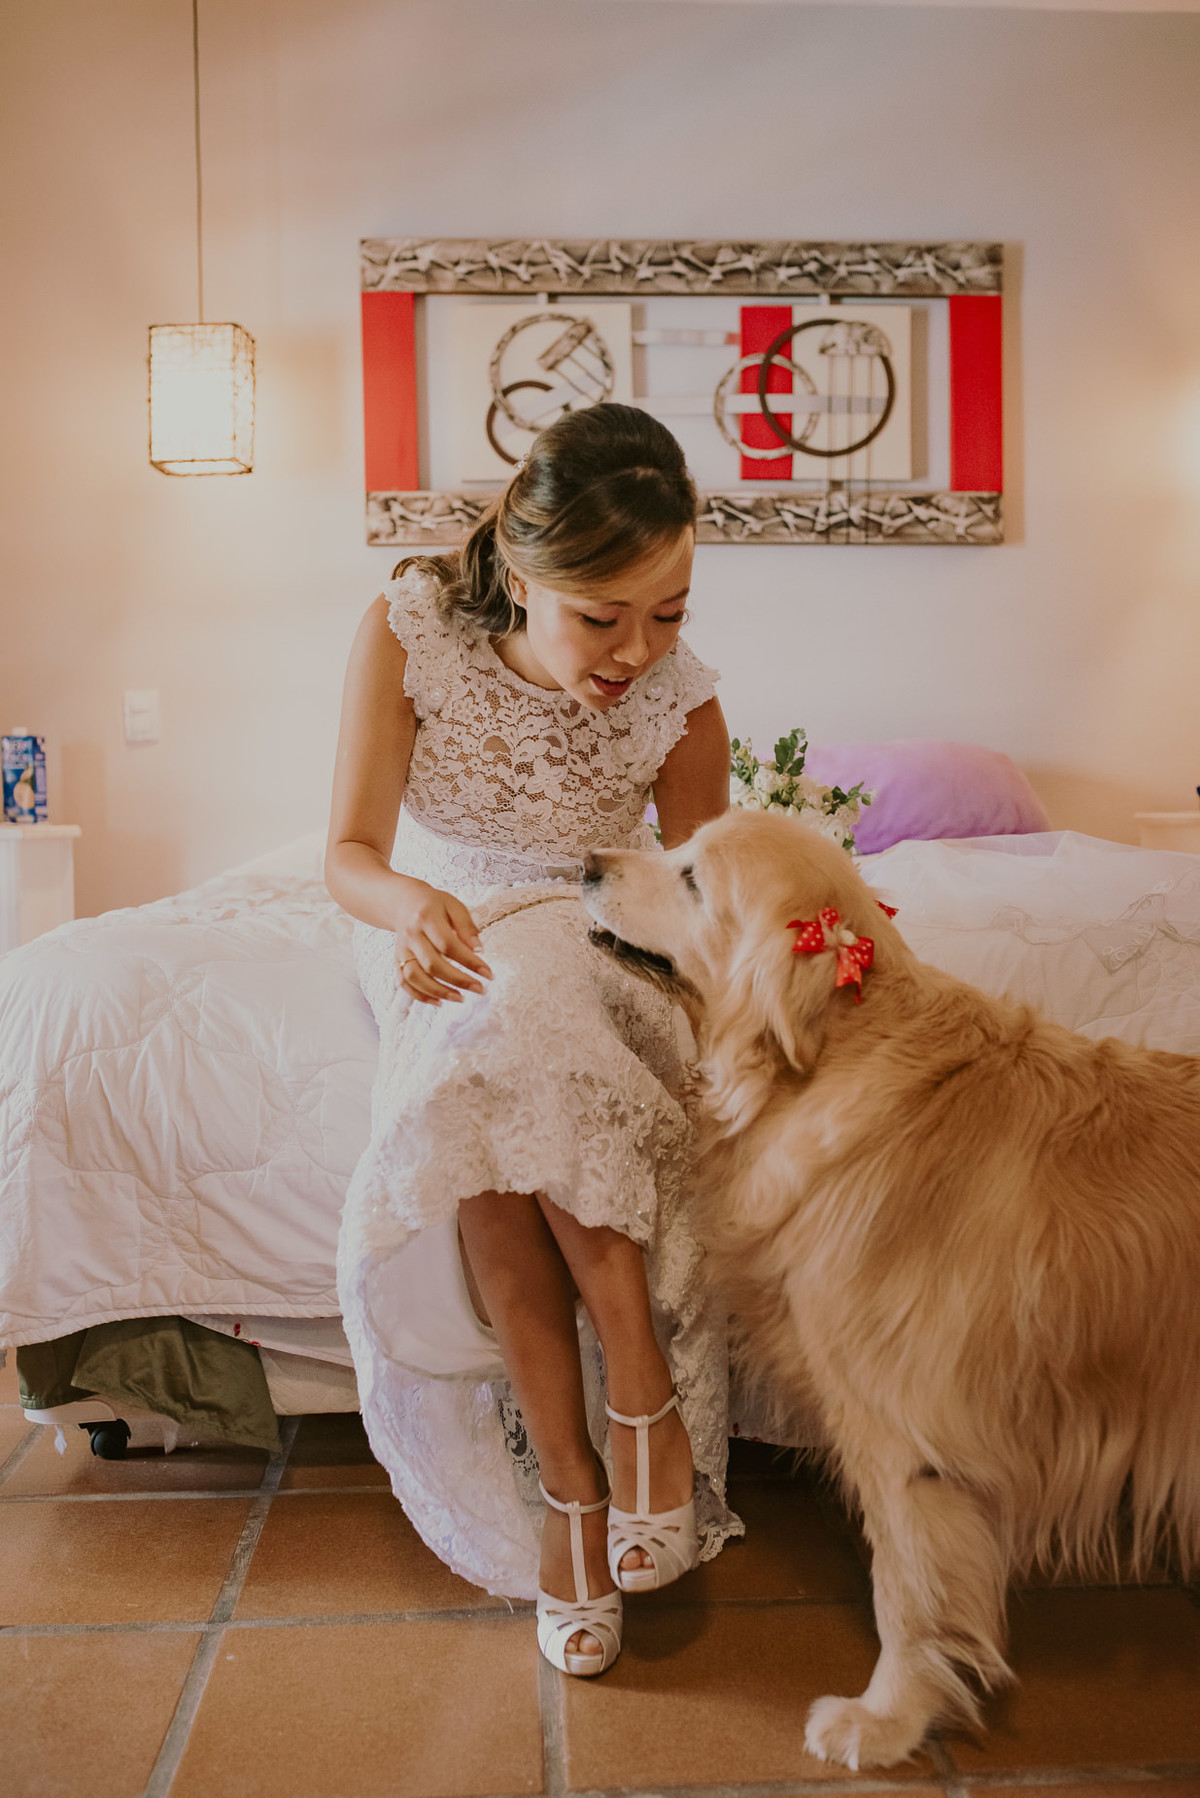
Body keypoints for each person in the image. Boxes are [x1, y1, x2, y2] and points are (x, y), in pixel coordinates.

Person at [326, 403, 740, 1677]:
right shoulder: (407, 634)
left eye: (666, 613)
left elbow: (691, 910)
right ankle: (608, 1447)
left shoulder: (684, 705)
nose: (637, 652)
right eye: (602, 616)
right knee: (489, 1028)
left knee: (530, 1006)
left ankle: (596, 1463)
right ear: (521, 566)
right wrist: (409, 908)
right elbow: (347, 856)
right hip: (438, 922)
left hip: (591, 927)